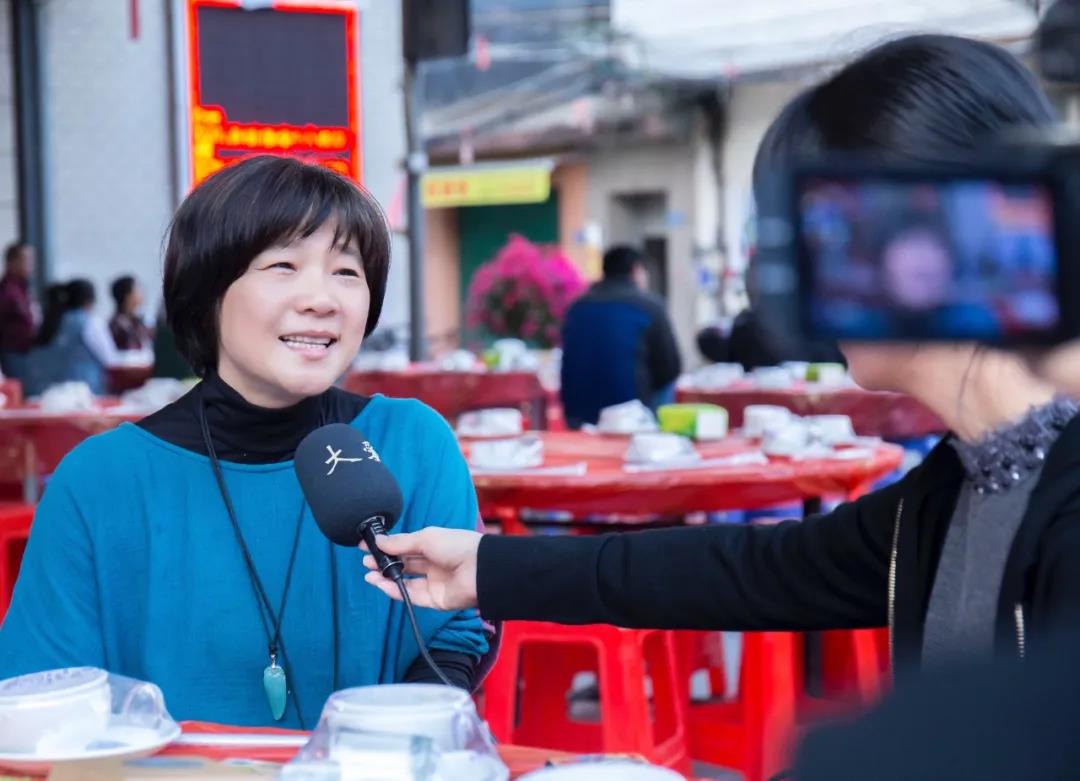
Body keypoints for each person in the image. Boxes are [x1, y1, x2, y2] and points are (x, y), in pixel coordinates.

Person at [361, 35, 1080, 685]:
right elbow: (752, 569)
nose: (794, 269)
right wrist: (485, 566)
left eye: (820, 226)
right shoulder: (954, 487)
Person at [0, 155, 489, 728]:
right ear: (208, 292)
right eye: (283, 265)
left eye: (347, 272)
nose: (321, 299)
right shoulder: (101, 480)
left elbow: (457, 635)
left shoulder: (412, 443)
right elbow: (38, 693)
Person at [559, 245, 682, 427]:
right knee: (667, 387)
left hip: (577, 417)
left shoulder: (577, 308)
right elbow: (670, 368)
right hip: (629, 419)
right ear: (636, 270)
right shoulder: (649, 306)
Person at [22, 278, 154, 397]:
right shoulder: (90, 323)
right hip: (84, 393)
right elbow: (110, 359)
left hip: (46, 393)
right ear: (90, 301)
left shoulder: (52, 320)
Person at [0, 242, 36, 380]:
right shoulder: (7, 291)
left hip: (26, 351)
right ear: (11, 262)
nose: (30, 264)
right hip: (12, 352)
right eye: (26, 260)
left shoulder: (23, 288)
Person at [108, 275, 152, 351]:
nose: (142, 293)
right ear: (127, 296)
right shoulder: (118, 325)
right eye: (138, 290)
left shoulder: (139, 320)